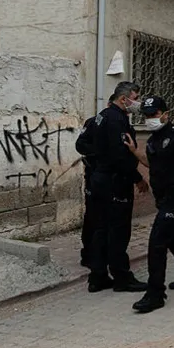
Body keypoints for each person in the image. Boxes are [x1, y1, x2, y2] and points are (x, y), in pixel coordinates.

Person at [124, 96, 174, 313]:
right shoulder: (152, 140)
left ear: (166, 114)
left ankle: (155, 293)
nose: (151, 119)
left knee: (157, 242)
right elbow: (152, 163)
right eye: (148, 115)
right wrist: (134, 151)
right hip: (163, 198)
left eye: (155, 114)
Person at [88, 82, 149, 293]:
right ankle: (122, 277)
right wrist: (137, 178)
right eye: (136, 97)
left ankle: (97, 277)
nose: (137, 102)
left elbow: (89, 145)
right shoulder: (116, 120)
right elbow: (120, 156)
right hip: (115, 182)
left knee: (101, 230)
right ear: (124, 99)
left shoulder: (102, 116)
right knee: (118, 232)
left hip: (100, 179)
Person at [75, 110, 101, 268]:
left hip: (112, 180)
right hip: (94, 176)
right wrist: (99, 152)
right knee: (92, 216)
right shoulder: (93, 123)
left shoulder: (121, 123)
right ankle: (89, 254)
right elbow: (80, 145)